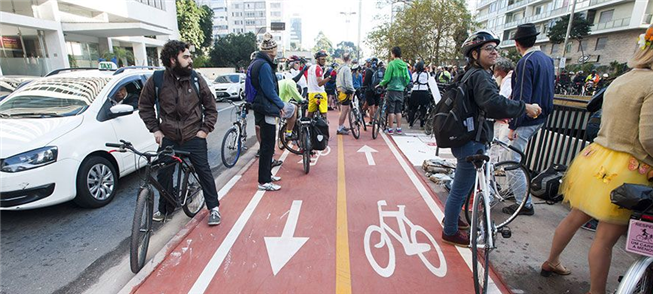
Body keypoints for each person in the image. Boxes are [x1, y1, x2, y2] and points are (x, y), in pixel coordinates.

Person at [541, 24, 653, 294]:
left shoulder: (622, 79)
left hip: (594, 159)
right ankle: (596, 291)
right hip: (627, 167)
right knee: (604, 239)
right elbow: (649, 138)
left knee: (574, 217)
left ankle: (551, 260)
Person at [440, 30, 541, 247]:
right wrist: (525, 107)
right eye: (488, 48)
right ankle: (449, 231)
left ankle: (452, 219)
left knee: (464, 186)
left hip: (468, 138)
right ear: (474, 54)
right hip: (472, 141)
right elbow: (493, 103)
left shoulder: (473, 74)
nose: (494, 52)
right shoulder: (479, 76)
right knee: (461, 188)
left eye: (495, 48)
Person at [138, 40, 221, 225]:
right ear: (172, 59)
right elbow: (144, 106)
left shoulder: (196, 79)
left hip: (194, 135)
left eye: (189, 56)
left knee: (203, 172)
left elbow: (211, 107)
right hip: (169, 137)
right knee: (163, 174)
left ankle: (214, 208)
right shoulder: (157, 80)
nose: (190, 60)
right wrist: (155, 129)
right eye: (186, 56)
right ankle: (165, 209)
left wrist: (205, 130)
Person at [502, 23, 555, 217]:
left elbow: (521, 97)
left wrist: (513, 125)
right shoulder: (547, 60)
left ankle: (523, 202)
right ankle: (517, 194)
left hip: (527, 118)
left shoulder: (526, 62)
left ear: (517, 43)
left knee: (510, 160)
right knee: (513, 158)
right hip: (541, 116)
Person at [250, 33, 285, 191]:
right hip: (266, 108)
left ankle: (267, 175)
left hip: (260, 106)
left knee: (267, 144)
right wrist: (280, 105)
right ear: (272, 50)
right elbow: (269, 90)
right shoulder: (264, 66)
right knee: (268, 144)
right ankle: (264, 181)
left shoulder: (257, 62)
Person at [377, 46, 410, 135]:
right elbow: (408, 78)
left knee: (391, 110)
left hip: (391, 90)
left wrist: (381, 84)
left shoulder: (391, 64)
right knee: (398, 110)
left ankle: (390, 129)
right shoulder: (404, 65)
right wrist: (403, 85)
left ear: (393, 54)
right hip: (400, 90)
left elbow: (387, 78)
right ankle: (399, 129)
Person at [306, 50, 333, 119]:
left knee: (310, 114)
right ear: (317, 59)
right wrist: (330, 77)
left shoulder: (310, 68)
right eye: (322, 59)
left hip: (311, 93)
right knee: (324, 115)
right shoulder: (318, 68)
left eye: (325, 59)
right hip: (320, 93)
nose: (324, 61)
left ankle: (308, 129)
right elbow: (320, 83)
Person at [336, 54, 355, 135]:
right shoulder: (346, 69)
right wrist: (352, 90)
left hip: (340, 90)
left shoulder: (340, 68)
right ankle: (340, 128)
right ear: (349, 59)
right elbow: (348, 82)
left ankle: (341, 126)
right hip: (345, 91)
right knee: (344, 110)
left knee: (344, 109)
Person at [407, 61, 430, 129]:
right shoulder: (426, 74)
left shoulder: (414, 74)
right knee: (423, 108)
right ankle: (421, 125)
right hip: (424, 91)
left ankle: (411, 124)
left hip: (415, 91)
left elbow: (412, 81)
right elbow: (429, 80)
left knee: (414, 108)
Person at [363, 57, 380, 125]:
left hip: (370, 90)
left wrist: (363, 87)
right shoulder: (379, 70)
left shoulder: (369, 70)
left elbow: (366, 81)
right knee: (376, 106)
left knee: (371, 106)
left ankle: (371, 121)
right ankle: (377, 119)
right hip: (378, 89)